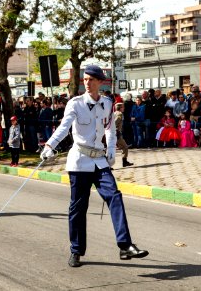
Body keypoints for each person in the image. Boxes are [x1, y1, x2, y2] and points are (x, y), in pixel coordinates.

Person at [40, 64, 148, 268]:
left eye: (91, 80)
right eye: (85, 79)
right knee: (78, 208)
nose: (87, 83)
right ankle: (76, 250)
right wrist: (49, 145)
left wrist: (110, 149)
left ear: (100, 82)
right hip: (80, 161)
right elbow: (64, 128)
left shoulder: (107, 103)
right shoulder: (75, 103)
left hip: (99, 161)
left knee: (114, 196)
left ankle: (125, 245)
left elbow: (109, 127)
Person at [114, 102, 133, 167]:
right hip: (117, 133)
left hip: (115, 133)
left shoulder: (114, 113)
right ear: (120, 108)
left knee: (112, 148)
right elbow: (115, 123)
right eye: (123, 107)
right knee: (125, 147)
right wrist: (116, 131)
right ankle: (124, 161)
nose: (124, 108)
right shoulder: (120, 114)